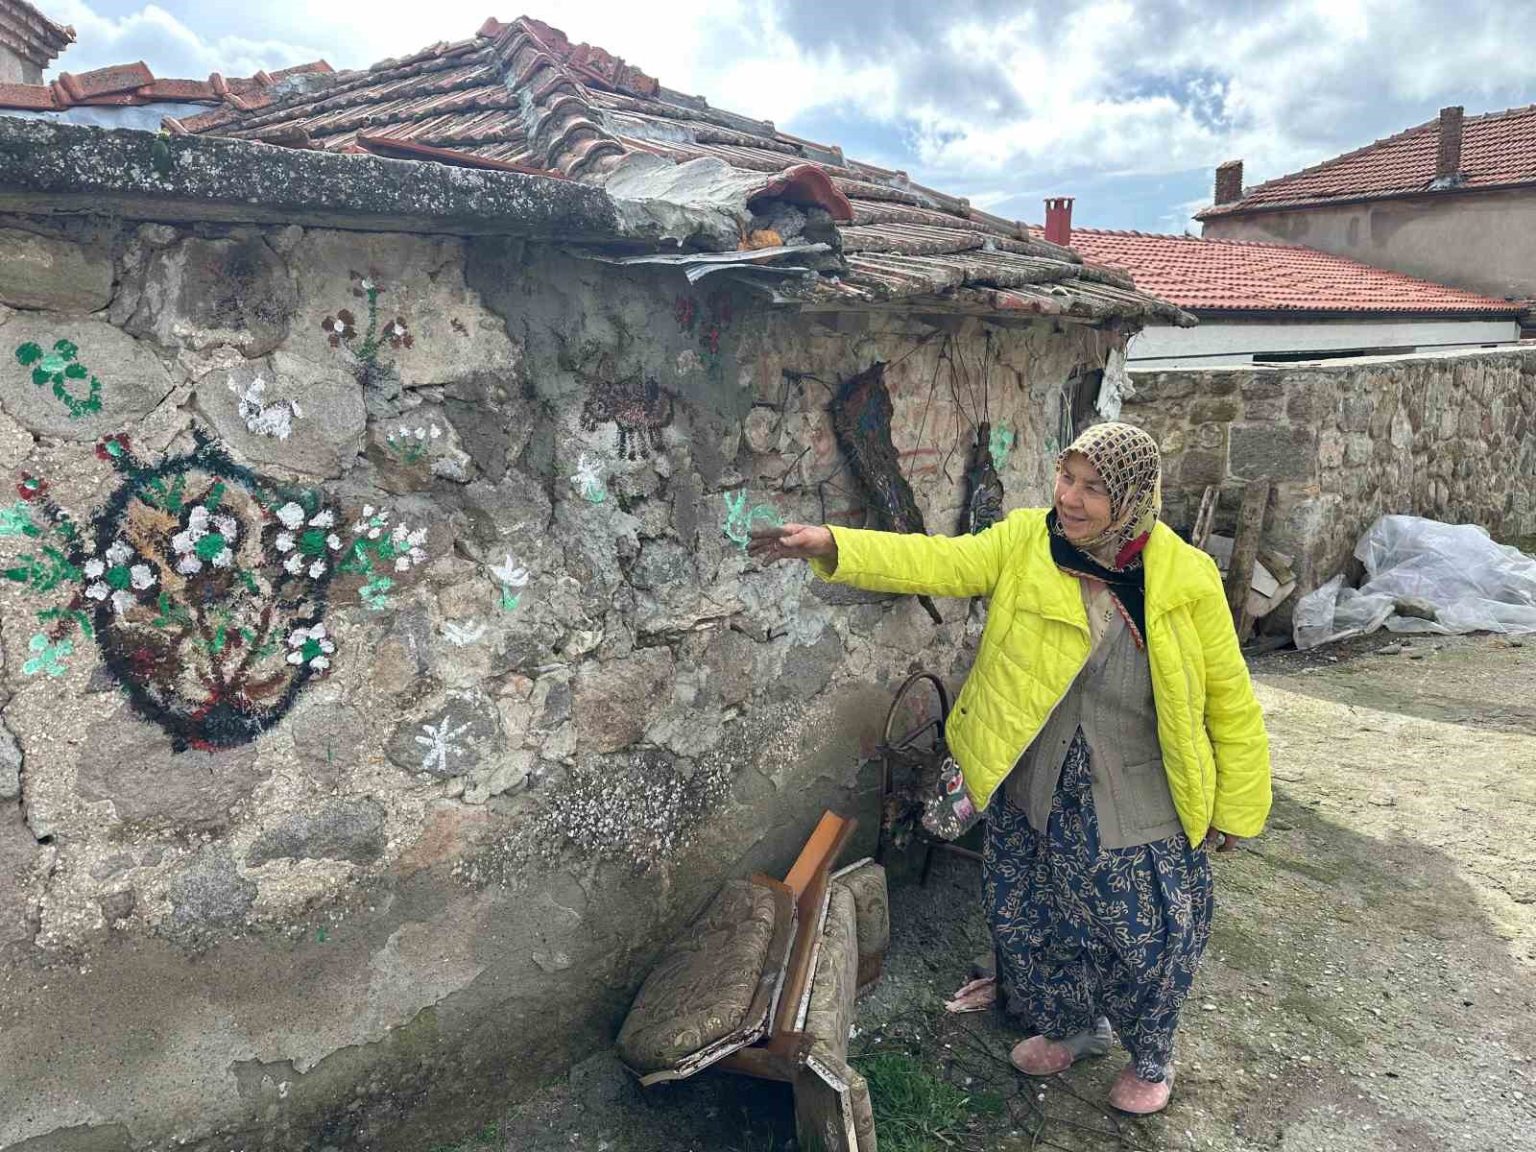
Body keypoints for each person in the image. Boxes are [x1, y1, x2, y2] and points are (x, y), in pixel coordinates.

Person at [748, 421, 1271, 1115]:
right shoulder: (1029, 541)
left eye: (1093, 488)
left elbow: (1230, 702)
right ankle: (1071, 1028)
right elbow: (938, 562)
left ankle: (1150, 1058)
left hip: (1138, 793)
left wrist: (1237, 809)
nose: (1070, 499)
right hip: (1035, 780)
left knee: (1143, 933)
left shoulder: (1186, 577)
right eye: (1066, 479)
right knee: (1031, 916)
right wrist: (832, 543)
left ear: (1134, 497)